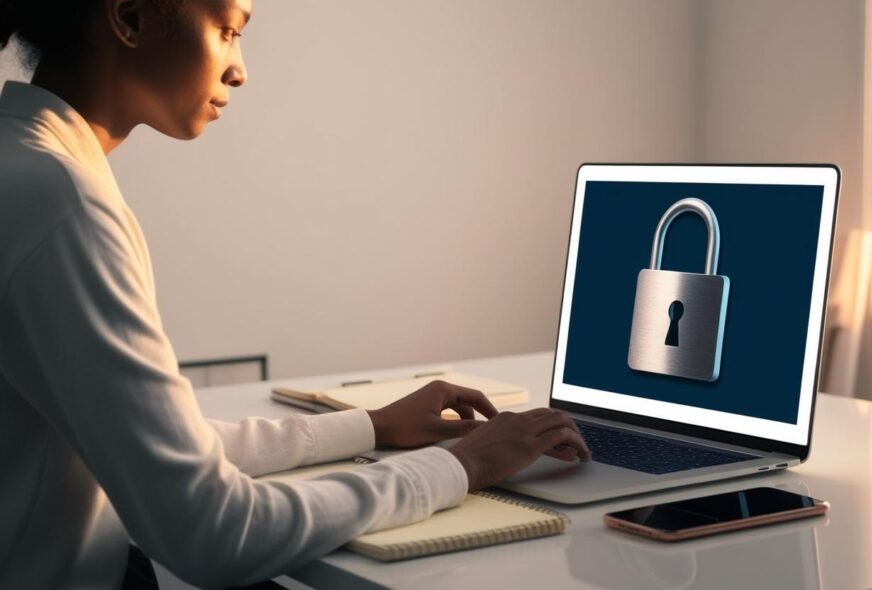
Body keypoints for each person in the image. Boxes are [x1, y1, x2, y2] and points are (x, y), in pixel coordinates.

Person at [0, 0, 591, 587]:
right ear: (128, 18)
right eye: (228, 31)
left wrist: (372, 426)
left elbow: (160, 446)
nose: (240, 69)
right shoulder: (64, 203)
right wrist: (467, 463)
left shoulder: (23, 166)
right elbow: (213, 531)